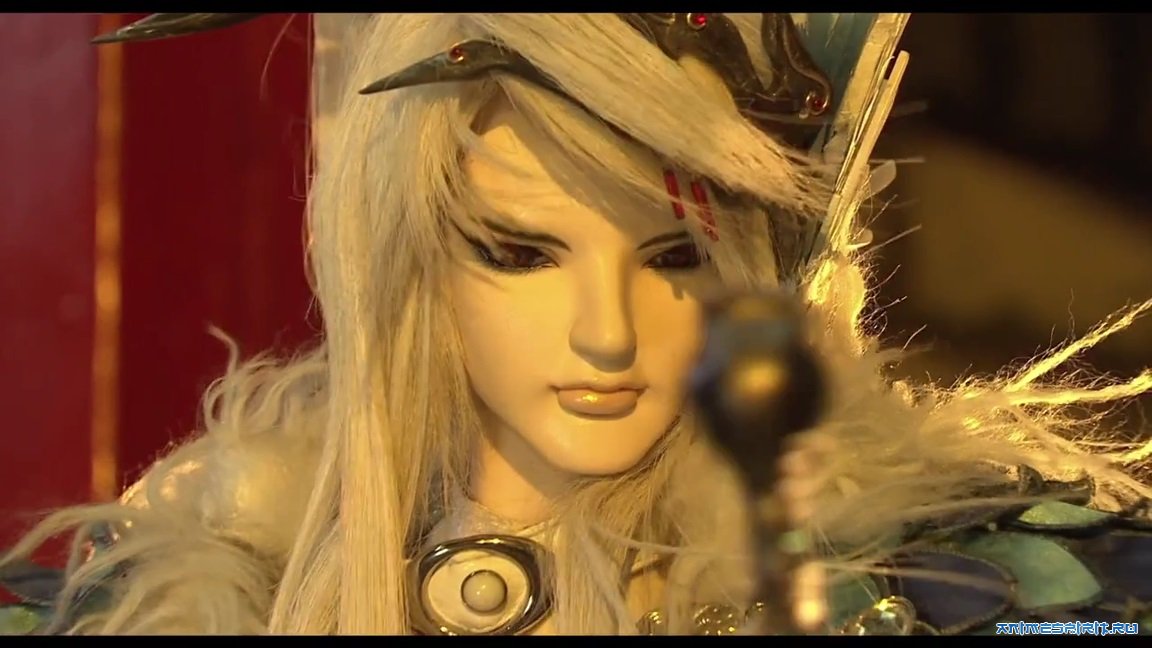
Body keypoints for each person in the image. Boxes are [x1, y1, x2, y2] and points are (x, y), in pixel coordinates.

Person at [2, 13, 1150, 636]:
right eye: (520, 252)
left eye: (676, 259)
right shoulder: (174, 606)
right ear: (404, 262)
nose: (608, 334)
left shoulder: (941, 594)